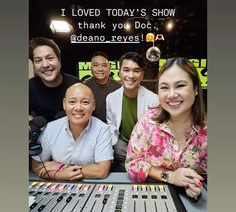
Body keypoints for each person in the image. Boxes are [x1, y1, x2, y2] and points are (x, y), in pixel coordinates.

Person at [126, 57, 207, 200]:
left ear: (195, 89)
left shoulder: (206, 129)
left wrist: (192, 183)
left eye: (180, 85)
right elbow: (132, 164)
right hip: (151, 195)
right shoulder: (148, 122)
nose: (171, 95)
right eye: (164, 87)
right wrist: (170, 176)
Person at [31, 83, 113, 181]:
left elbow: (101, 171)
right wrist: (59, 175)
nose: (78, 108)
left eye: (85, 102)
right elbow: (37, 164)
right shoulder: (50, 128)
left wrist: (61, 167)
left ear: (93, 105)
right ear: (64, 104)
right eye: (72, 102)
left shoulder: (102, 129)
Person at [106, 51, 159, 171]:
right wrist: (114, 144)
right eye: (126, 70)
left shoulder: (154, 100)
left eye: (136, 70)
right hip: (121, 148)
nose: (131, 75)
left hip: (145, 150)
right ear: (119, 72)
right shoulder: (111, 98)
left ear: (142, 74)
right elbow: (111, 123)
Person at [29, 37, 79, 122]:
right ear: (34, 66)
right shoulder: (28, 87)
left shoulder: (76, 86)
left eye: (50, 58)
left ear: (59, 61)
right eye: (38, 61)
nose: (45, 65)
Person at [84, 51, 121, 123]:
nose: (100, 69)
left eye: (104, 65)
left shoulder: (118, 87)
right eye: (96, 65)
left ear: (109, 69)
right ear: (91, 69)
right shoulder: (84, 87)